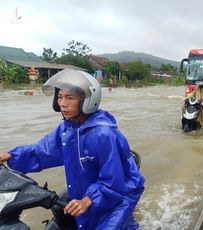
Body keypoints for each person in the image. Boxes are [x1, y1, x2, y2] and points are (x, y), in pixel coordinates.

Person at [0, 69, 145, 229]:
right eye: (60, 97)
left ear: (87, 101)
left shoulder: (104, 134)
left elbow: (113, 182)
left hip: (120, 194)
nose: (62, 103)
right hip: (90, 190)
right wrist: (10, 155)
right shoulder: (67, 129)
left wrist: (89, 200)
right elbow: (42, 152)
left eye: (70, 98)